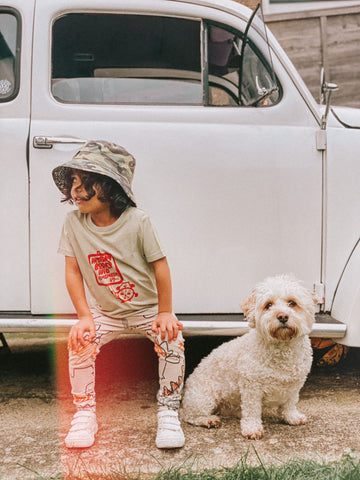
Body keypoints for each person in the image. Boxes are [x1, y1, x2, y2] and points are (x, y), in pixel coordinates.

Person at [52, 140, 185, 450]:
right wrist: (85, 317)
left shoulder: (139, 221)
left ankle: (168, 411)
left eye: (87, 182)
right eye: (73, 181)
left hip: (147, 310)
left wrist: (165, 312)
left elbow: (160, 266)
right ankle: (85, 413)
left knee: (173, 339)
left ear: (111, 187)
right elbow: (72, 272)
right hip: (105, 313)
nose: (77, 189)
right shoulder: (73, 223)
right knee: (79, 340)